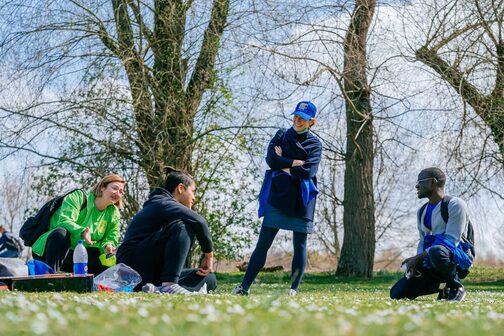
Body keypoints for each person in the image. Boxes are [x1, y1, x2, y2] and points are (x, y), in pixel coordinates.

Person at [233, 101, 322, 296]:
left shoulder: (315, 144)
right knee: (263, 242)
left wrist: (283, 165)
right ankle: (244, 287)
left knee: (300, 244)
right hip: (279, 194)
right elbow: (271, 160)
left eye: (303, 118)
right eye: (296, 116)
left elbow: (308, 171)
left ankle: (293, 289)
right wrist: (292, 163)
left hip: (302, 198)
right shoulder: (281, 134)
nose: (297, 121)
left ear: (311, 122)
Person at [117, 166, 216, 294]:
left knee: (209, 278)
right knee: (184, 225)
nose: (194, 197)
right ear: (180, 188)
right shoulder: (161, 202)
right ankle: (170, 285)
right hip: (132, 267)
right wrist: (209, 256)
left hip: (152, 270)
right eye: (193, 191)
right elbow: (200, 221)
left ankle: (156, 288)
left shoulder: (167, 206)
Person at [390, 167, 472, 302]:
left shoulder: (455, 204)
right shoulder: (422, 211)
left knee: (436, 251)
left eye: (420, 182)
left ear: (433, 182)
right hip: (432, 257)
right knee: (397, 293)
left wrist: (419, 257)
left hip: (458, 257)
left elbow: (452, 241)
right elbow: (423, 241)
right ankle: (442, 286)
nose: (417, 186)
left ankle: (455, 287)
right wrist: (416, 264)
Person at [32, 175, 125, 275]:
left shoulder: (114, 212)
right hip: (51, 252)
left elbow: (111, 236)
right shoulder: (79, 196)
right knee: (61, 233)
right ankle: (50, 279)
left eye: (121, 191)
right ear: (102, 187)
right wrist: (82, 231)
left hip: (80, 257)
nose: (117, 193)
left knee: (105, 255)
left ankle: (93, 285)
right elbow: (64, 221)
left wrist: (108, 245)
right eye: (114, 188)